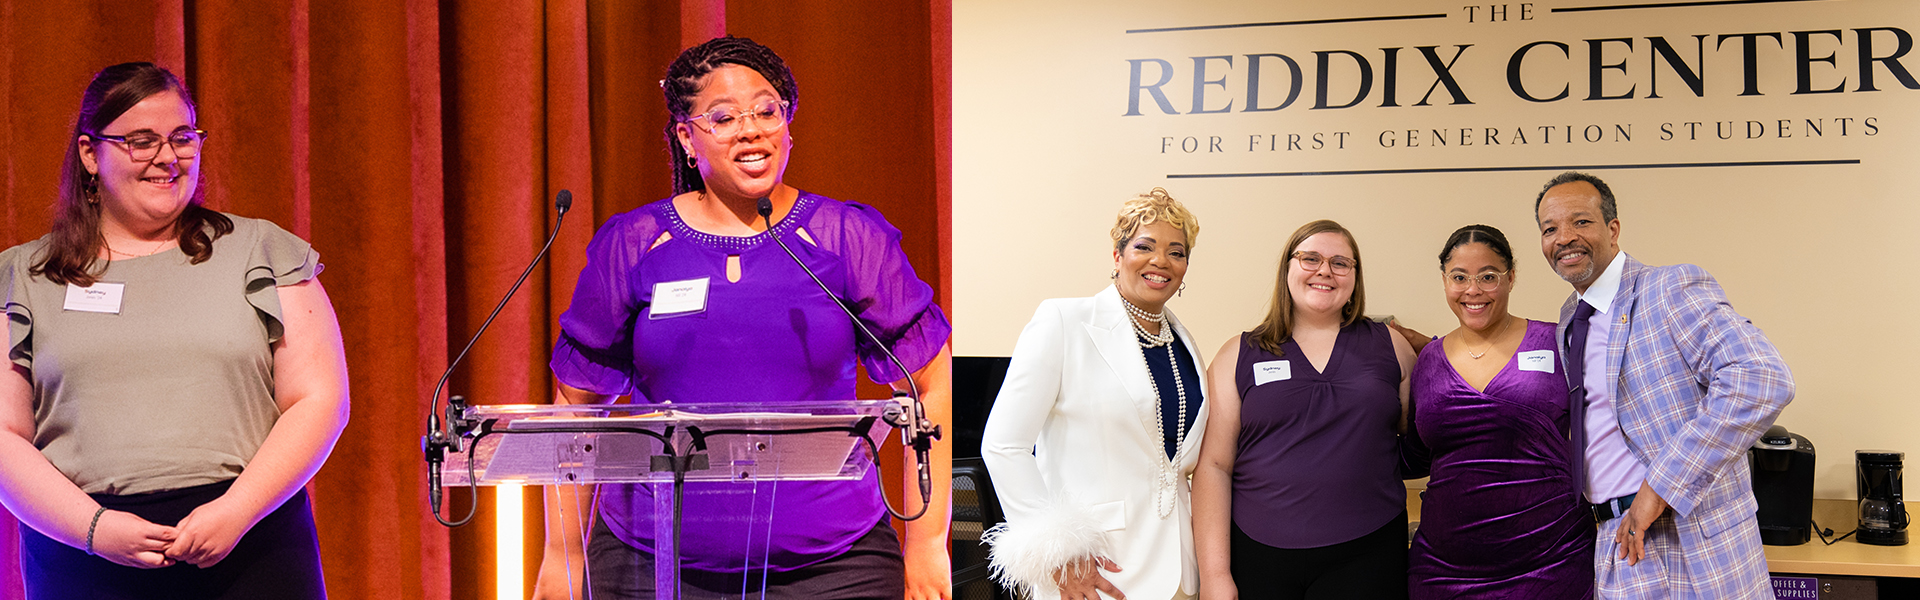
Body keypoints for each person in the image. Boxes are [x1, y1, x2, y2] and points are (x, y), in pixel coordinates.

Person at [530, 36, 954, 600]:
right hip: (652, 566)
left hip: (834, 570)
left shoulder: (847, 239)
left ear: (788, 123)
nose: (750, 130)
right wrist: (560, 557)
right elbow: (576, 409)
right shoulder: (633, 245)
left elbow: (931, 378)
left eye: (766, 110)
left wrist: (927, 540)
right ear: (686, 136)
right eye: (724, 117)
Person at [0, 62, 349, 599]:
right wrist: (93, 530)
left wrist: (235, 511)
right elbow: (3, 435)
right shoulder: (22, 276)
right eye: (142, 141)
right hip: (82, 556)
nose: (168, 157)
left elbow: (319, 400)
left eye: (182, 138)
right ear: (91, 154)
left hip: (248, 544)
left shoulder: (261, 251)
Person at [1534, 171, 1791, 599]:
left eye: (1580, 222)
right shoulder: (1569, 320)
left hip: (1686, 536)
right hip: (1612, 540)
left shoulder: (1667, 288)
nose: (1564, 238)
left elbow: (1761, 378)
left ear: (1613, 230)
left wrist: (1662, 486)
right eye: (1550, 229)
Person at [982, 188, 1208, 600]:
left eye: (1176, 252)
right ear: (1118, 255)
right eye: (1145, 246)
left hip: (1179, 571)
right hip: (1095, 573)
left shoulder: (1183, 343)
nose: (1161, 261)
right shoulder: (1064, 321)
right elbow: (1003, 444)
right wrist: (1059, 555)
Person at [1192, 219, 1417, 600]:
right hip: (1260, 557)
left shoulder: (1393, 347)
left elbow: (1416, 438)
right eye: (1310, 258)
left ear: (1355, 277)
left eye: (1340, 263)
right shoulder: (1238, 354)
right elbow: (1213, 466)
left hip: (1369, 553)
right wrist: (1215, 575)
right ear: (1287, 269)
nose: (1325, 271)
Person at [1399, 224, 1592, 599]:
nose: (1473, 290)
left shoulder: (1556, 344)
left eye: (1488, 276)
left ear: (1511, 277)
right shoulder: (1427, 362)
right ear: (1444, 281)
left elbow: (1601, 428)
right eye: (1460, 277)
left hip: (1552, 561)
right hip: (1444, 569)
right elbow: (1417, 455)